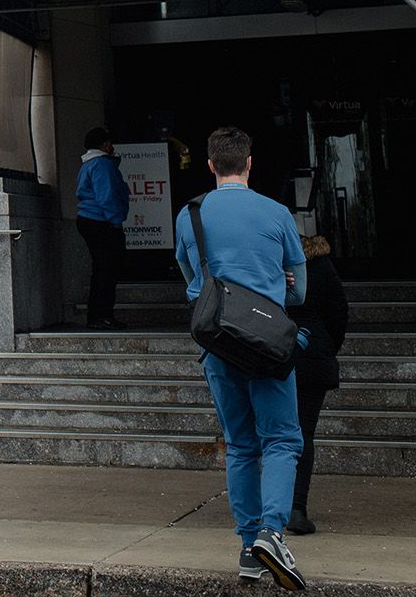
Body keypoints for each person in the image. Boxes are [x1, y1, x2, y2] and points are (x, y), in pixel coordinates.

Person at [175, 126, 308, 591]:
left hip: (217, 344)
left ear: (211, 165)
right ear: (250, 163)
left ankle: (248, 548)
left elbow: (193, 280)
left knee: (241, 443)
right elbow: (302, 291)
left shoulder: (189, 215)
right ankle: (273, 532)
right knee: (283, 441)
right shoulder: (276, 213)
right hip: (267, 345)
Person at [287, 233, 349, 536]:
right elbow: (339, 313)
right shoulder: (321, 265)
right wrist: (323, 345)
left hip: (270, 353)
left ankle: (270, 506)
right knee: (303, 432)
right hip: (312, 353)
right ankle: (296, 508)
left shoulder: (269, 261)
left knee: (269, 434)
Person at [75, 126, 129, 329]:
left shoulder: (88, 164)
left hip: (89, 220)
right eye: (109, 142)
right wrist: (116, 221)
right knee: (107, 270)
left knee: (100, 270)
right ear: (105, 144)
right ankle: (103, 315)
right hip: (101, 222)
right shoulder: (102, 165)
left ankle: (97, 316)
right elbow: (107, 196)